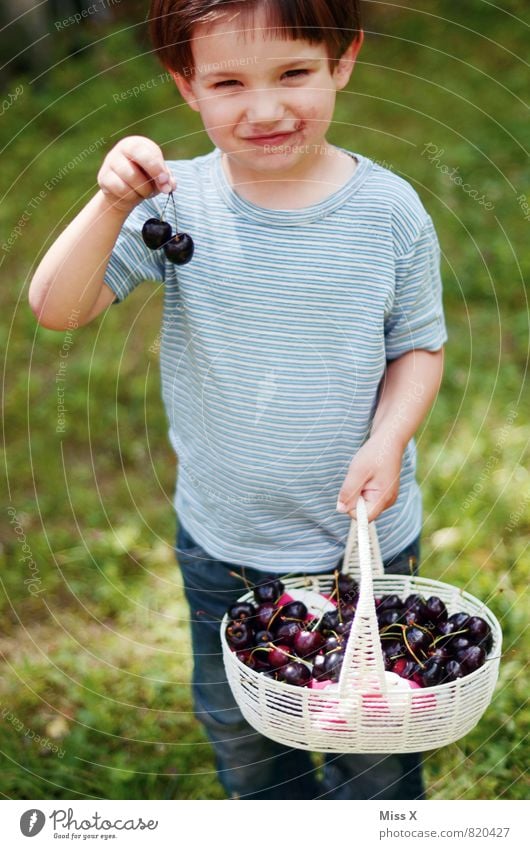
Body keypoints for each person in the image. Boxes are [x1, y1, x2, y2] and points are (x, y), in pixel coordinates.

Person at [28, 0, 448, 800]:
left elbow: (417, 347)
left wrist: (388, 440)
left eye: (293, 72)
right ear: (186, 86)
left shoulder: (390, 212)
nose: (265, 108)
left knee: (371, 741)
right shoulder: (173, 205)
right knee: (245, 735)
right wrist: (112, 200)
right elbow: (58, 306)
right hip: (224, 550)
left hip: (364, 550)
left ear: (343, 60)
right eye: (227, 81)